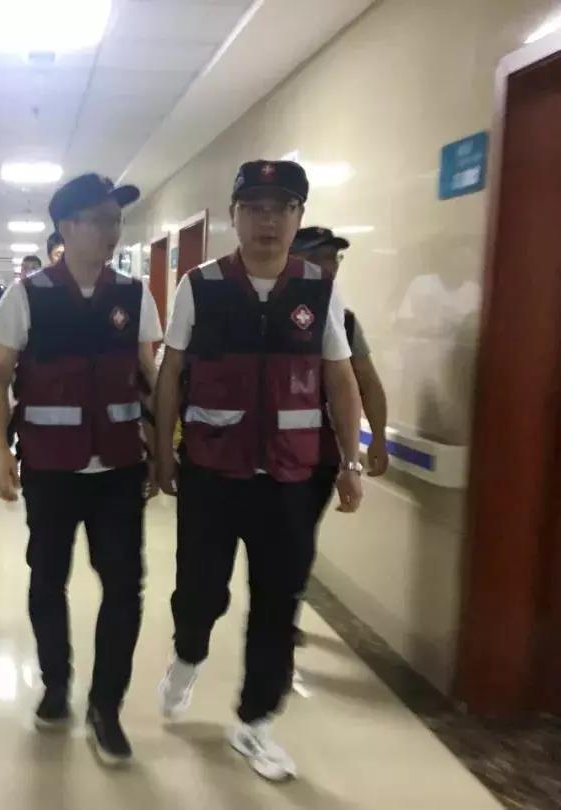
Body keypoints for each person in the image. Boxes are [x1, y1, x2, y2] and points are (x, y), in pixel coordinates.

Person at [154, 161, 364, 782]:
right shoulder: (201, 285)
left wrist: (350, 460)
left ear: (298, 217)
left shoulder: (319, 289)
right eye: (255, 208)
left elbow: (340, 377)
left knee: (279, 602)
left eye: (282, 207)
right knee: (200, 591)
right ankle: (188, 655)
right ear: (234, 216)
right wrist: (163, 451)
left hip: (291, 480)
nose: (268, 220)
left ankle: (255, 722)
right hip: (212, 473)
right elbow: (172, 372)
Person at [0, 173, 162, 766]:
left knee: (124, 586)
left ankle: (106, 707)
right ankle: (56, 684)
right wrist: (0, 451)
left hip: (118, 468)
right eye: (100, 219)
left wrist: (163, 449)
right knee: (47, 579)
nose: (113, 231)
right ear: (66, 227)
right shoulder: (28, 296)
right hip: (51, 468)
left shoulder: (134, 295)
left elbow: (150, 378)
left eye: (117, 220)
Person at [289, 226, 389, 647]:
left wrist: (377, 438)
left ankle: (284, 614)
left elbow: (366, 380)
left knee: (299, 537)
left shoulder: (343, 320)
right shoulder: (262, 311)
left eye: (333, 259)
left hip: (318, 454)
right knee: (277, 539)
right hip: (264, 453)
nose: (329, 268)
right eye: (318, 258)